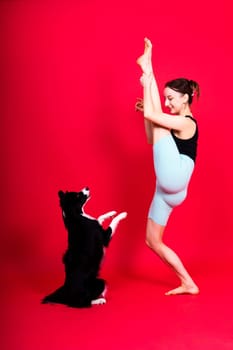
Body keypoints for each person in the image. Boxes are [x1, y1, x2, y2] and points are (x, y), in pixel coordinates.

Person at [136, 37, 200, 295]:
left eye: (172, 99)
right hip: (168, 189)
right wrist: (147, 113)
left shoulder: (187, 122)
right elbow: (151, 137)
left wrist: (146, 82)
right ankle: (188, 282)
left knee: (155, 118)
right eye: (165, 99)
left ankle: (147, 69)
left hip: (176, 175)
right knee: (152, 241)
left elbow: (154, 116)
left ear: (185, 98)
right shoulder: (170, 123)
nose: (168, 104)